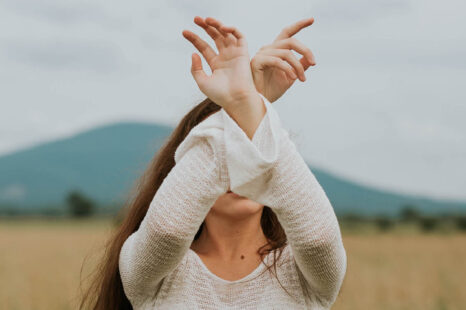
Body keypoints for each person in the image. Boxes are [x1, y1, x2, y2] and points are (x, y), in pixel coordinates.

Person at [80, 16, 347, 310]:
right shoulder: (151, 272)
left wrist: (249, 102)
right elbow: (167, 229)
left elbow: (319, 239)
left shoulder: (301, 272)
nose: (240, 166)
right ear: (184, 175)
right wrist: (247, 104)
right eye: (228, 153)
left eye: (249, 152)